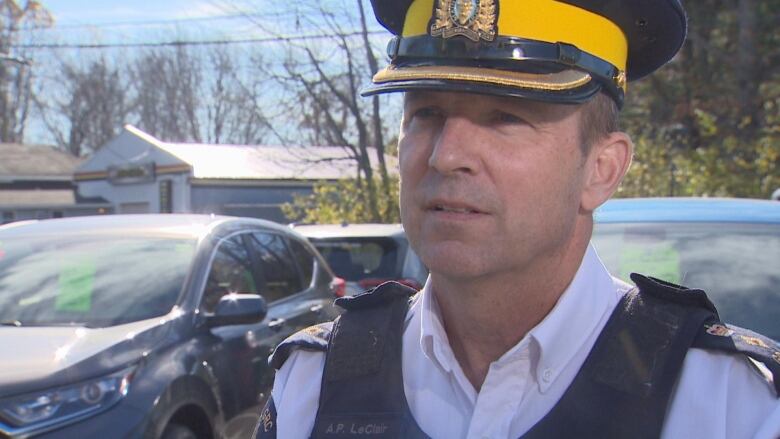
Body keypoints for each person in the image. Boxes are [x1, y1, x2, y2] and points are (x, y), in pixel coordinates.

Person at [255, 0, 780, 437]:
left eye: (506, 117)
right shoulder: (312, 385)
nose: (445, 155)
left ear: (602, 169)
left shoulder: (732, 407)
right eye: (425, 114)